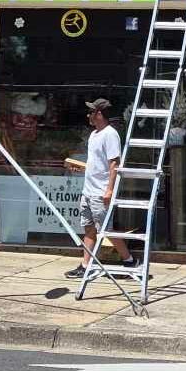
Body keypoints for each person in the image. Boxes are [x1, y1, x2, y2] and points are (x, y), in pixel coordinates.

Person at [65, 98, 138, 278]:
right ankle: (85, 265)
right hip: (88, 191)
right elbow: (96, 164)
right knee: (89, 229)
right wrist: (80, 167)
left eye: (91, 112)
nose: (88, 115)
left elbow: (114, 164)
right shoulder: (94, 134)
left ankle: (130, 261)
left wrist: (109, 190)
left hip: (100, 192)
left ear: (99, 114)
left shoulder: (110, 134)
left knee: (106, 230)